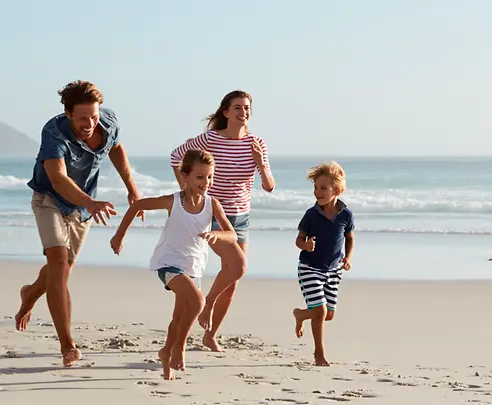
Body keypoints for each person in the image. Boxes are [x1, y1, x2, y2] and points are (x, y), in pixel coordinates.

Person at [15, 80, 144, 367]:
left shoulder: (107, 122)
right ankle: (67, 345)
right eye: (83, 118)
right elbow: (59, 179)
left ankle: (31, 293)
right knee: (59, 265)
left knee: (60, 272)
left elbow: (116, 149)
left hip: (82, 208)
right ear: (68, 113)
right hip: (49, 199)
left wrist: (132, 188)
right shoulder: (53, 132)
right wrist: (91, 202)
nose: (90, 124)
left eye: (94, 117)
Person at [110, 149, 238, 380]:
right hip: (169, 264)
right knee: (198, 302)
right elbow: (137, 205)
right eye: (200, 177)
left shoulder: (212, 204)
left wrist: (217, 236)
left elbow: (232, 234)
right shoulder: (173, 201)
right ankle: (179, 347)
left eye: (210, 177)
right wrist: (119, 236)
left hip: (194, 267)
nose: (206, 182)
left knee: (179, 317)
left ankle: (166, 353)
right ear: (185, 176)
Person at [169, 90, 275, 352]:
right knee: (238, 266)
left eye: (247, 108)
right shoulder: (210, 139)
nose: (243, 112)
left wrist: (261, 164)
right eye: (237, 107)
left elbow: (269, 186)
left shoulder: (257, 143)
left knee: (233, 279)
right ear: (226, 112)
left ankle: (210, 334)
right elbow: (176, 157)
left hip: (242, 217)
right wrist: (188, 190)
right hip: (214, 215)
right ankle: (207, 303)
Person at [292, 161, 354, 367]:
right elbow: (298, 240)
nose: (317, 192)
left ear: (337, 190)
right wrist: (306, 246)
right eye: (315, 187)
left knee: (329, 315)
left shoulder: (346, 215)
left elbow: (349, 238)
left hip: (334, 270)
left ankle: (301, 314)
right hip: (309, 267)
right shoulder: (311, 215)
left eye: (322, 188)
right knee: (320, 311)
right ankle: (319, 354)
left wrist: (348, 257)